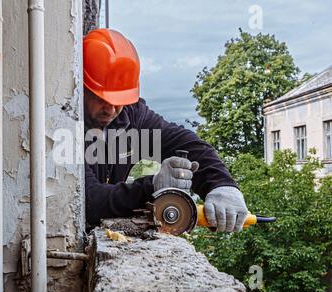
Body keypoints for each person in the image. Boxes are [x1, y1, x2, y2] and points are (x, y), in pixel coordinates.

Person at [83, 28, 248, 233]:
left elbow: (184, 143)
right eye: (102, 99)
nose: (111, 109)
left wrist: (221, 185)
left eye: (120, 100)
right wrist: (153, 185)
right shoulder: (65, 125)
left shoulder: (130, 115)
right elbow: (87, 200)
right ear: (81, 87)